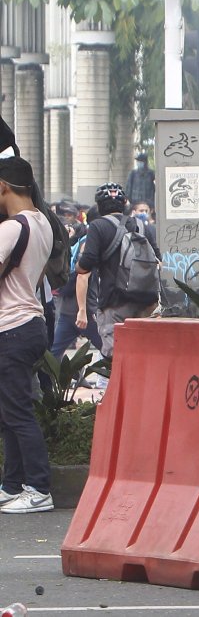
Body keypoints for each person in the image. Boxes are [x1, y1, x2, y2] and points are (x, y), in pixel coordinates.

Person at [0, 156, 55, 514]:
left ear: (3, 186)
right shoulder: (44, 225)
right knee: (10, 410)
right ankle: (12, 484)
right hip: (31, 323)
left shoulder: (11, 228)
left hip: (12, 327)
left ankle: (38, 488)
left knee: (16, 412)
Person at [74, 183, 161, 359]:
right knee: (142, 354)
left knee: (116, 357)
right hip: (146, 302)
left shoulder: (98, 226)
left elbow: (87, 261)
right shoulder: (142, 226)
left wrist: (78, 266)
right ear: (125, 203)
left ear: (99, 205)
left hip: (114, 302)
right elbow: (158, 261)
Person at [50, 205, 102, 360]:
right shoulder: (89, 243)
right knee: (108, 352)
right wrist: (83, 310)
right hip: (85, 309)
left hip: (69, 308)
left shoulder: (78, 241)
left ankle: (75, 378)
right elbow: (82, 276)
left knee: (54, 353)